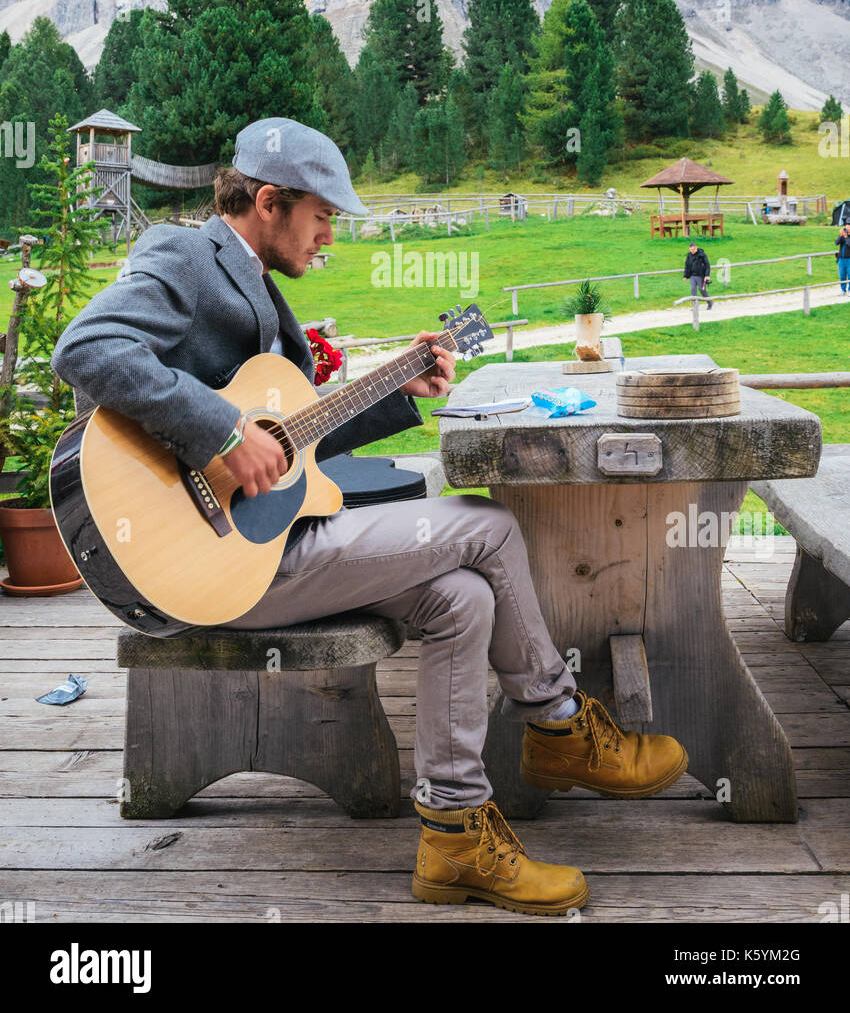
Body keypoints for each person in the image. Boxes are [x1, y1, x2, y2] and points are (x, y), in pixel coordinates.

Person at [51, 116, 688, 917]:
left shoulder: (255, 283)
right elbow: (85, 347)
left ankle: (455, 838)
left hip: (264, 537)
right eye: (322, 218)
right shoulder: (186, 255)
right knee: (488, 525)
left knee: (465, 598)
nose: (328, 239)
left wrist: (398, 386)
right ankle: (559, 728)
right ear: (271, 201)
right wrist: (219, 431)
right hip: (219, 558)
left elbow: (292, 444)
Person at [684, 240, 712, 310]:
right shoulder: (689, 255)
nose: (692, 251)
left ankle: (710, 303)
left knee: (702, 290)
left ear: (696, 248)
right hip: (692, 276)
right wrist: (685, 276)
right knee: (693, 290)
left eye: (693, 249)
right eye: (690, 250)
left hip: (701, 276)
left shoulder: (702, 255)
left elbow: (707, 265)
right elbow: (687, 266)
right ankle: (695, 306)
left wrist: (707, 275)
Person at [835, 224, 850, 295]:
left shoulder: (848, 237)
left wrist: (846, 237)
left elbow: (849, 244)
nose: (847, 229)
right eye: (846, 228)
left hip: (849, 259)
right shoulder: (842, 237)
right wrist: (841, 236)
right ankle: (843, 290)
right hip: (841, 259)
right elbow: (836, 243)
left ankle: (849, 290)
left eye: (848, 228)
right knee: (842, 275)